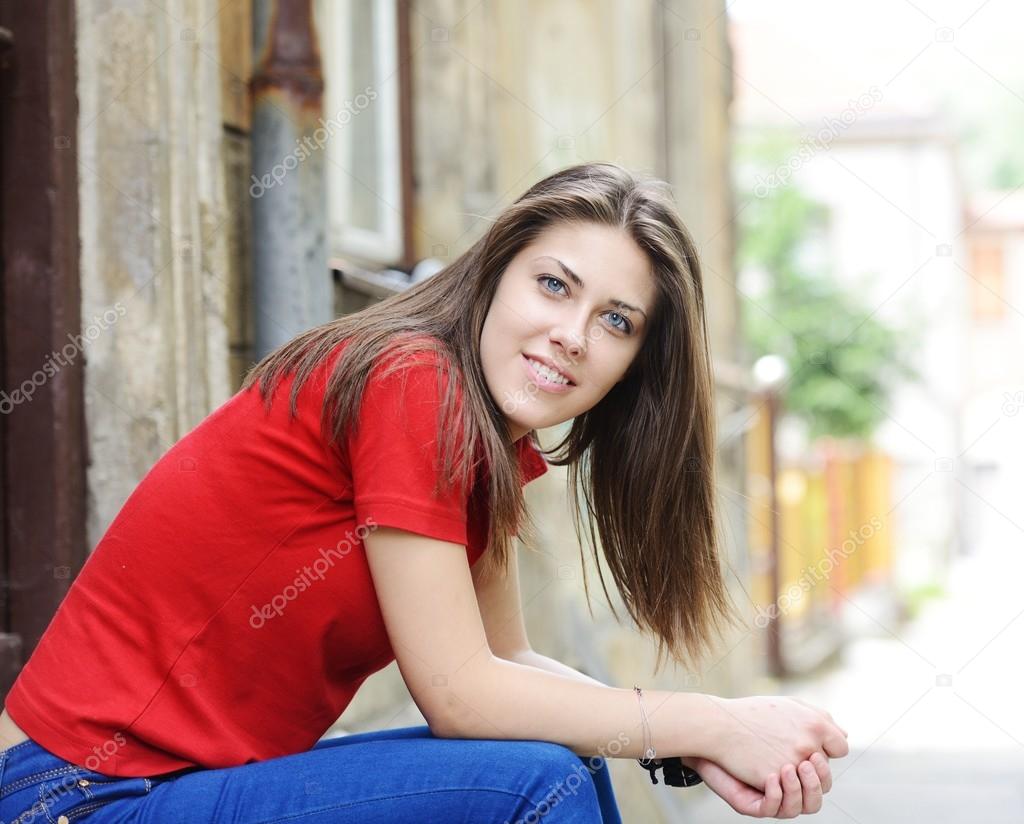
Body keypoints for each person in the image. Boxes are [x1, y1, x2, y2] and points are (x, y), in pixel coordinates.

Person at [0, 162, 848, 822]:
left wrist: (701, 735)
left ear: (636, 367)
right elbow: (458, 695)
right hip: (83, 795)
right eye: (553, 285)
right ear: (493, 275)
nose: (571, 335)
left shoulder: (477, 438)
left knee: (565, 759)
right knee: (538, 788)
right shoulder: (413, 383)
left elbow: (507, 662)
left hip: (174, 791)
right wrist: (707, 723)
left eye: (616, 321)